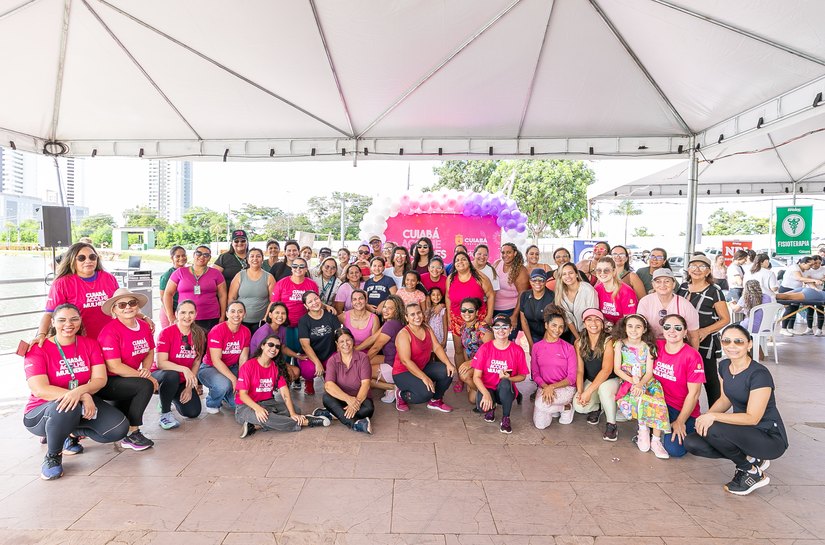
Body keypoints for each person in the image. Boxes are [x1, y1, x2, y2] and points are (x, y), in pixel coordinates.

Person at [23, 303, 129, 480]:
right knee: (68, 404)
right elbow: (40, 389)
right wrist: (82, 395)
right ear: (53, 323)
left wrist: (81, 392)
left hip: (77, 401)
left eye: (74, 319)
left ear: (80, 321)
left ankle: (71, 432)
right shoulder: (38, 349)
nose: (68, 324)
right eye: (62, 320)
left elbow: (100, 380)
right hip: (41, 413)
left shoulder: (90, 344)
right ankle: (53, 456)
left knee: (118, 429)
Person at [684, 325, 788, 496]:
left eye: (738, 341)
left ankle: (751, 472)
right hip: (743, 432)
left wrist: (713, 417)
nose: (732, 345)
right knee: (693, 442)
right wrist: (705, 417)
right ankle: (752, 459)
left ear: (749, 344)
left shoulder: (759, 374)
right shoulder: (724, 366)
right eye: (727, 341)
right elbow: (725, 400)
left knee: (713, 427)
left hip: (768, 437)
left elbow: (753, 418)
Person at [97, 288, 157, 451]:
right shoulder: (110, 331)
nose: (127, 307)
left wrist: (146, 370)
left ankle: (125, 421)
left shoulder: (144, 326)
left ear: (137, 306)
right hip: (109, 380)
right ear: (114, 310)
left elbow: (150, 350)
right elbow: (113, 366)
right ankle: (132, 433)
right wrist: (145, 377)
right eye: (121, 305)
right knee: (145, 385)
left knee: (144, 383)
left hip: (129, 377)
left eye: (132, 303)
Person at [235, 334, 330, 437]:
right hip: (246, 407)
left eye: (277, 347)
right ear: (262, 346)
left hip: (268, 403)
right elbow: (243, 395)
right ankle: (305, 422)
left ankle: (255, 426)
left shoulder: (276, 367)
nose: (273, 348)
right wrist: (258, 408)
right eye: (270, 345)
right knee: (265, 417)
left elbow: (285, 393)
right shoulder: (248, 366)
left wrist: (293, 413)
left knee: (295, 410)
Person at [36, 242, 124, 342]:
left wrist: (144, 317)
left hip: (109, 338)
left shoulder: (109, 278)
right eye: (81, 258)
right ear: (72, 260)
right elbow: (50, 314)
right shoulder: (62, 283)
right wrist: (41, 334)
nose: (88, 261)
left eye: (92, 257)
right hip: (79, 341)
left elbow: (123, 304)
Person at [612, 314, 671, 458]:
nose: (634, 330)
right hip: (629, 381)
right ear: (625, 328)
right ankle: (643, 430)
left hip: (647, 381)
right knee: (639, 399)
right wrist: (633, 382)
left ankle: (656, 440)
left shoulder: (648, 347)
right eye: (630, 326)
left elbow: (649, 372)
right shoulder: (620, 344)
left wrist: (640, 383)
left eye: (638, 327)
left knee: (657, 402)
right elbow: (617, 369)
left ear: (644, 330)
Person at [677, 254, 730, 407]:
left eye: (702, 267)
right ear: (688, 270)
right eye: (693, 266)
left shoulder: (715, 291)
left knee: (709, 378)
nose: (697, 270)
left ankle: (716, 413)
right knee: (685, 376)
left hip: (705, 342)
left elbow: (725, 319)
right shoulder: (683, 287)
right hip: (682, 340)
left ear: (708, 271)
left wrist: (704, 331)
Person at [654, 314, 705, 458]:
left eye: (678, 328)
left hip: (681, 409)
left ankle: (691, 428)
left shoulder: (692, 356)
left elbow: (694, 394)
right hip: (659, 405)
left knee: (675, 451)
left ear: (685, 332)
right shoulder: (657, 346)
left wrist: (680, 421)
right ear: (662, 330)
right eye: (667, 327)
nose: (672, 331)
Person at [392, 302, 457, 412]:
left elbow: (436, 347)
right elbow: (406, 361)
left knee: (447, 370)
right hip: (403, 372)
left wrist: (448, 363)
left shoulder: (426, 327)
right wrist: (424, 377)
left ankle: (435, 401)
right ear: (406, 318)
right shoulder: (403, 334)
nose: (417, 317)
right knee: (425, 394)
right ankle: (401, 394)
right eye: (412, 314)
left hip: (422, 366)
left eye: (419, 313)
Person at [152, 300, 205, 430]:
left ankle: (169, 395)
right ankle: (165, 413)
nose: (187, 316)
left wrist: (188, 388)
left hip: (182, 380)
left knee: (193, 412)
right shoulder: (166, 333)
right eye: (183, 312)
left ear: (196, 315)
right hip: (162, 375)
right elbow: (161, 363)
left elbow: (197, 361)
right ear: (176, 314)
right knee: (172, 375)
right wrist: (184, 369)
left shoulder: (199, 334)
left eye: (191, 312)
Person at [472, 315, 529, 434]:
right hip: (488, 388)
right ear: (493, 329)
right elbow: (476, 377)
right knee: (481, 406)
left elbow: (523, 376)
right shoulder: (485, 348)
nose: (501, 331)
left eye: (505, 327)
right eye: (497, 327)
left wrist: (510, 378)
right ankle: (491, 408)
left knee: (505, 383)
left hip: (505, 390)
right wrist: (486, 394)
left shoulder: (517, 350)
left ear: (510, 329)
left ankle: (506, 418)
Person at [572, 308, 621, 441]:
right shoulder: (579, 342)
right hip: (591, 379)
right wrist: (581, 391)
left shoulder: (608, 340)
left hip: (610, 380)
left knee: (604, 390)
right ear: (584, 323)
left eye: (597, 320)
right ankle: (598, 407)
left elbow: (606, 370)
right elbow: (580, 370)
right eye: (589, 319)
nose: (593, 323)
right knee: (579, 406)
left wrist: (588, 393)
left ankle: (612, 425)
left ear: (603, 323)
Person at [313, 328, 374, 434]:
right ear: (337, 344)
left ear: (353, 340)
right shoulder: (332, 360)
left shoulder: (363, 358)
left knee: (368, 410)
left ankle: (333, 413)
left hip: (360, 398)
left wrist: (355, 403)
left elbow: (366, 384)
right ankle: (355, 425)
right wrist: (348, 399)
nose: (345, 344)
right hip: (340, 398)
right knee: (327, 397)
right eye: (341, 341)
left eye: (348, 340)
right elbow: (328, 385)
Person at [198, 301, 251, 414]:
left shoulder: (246, 331)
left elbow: (243, 359)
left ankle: (225, 396)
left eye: (240, 311)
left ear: (244, 314)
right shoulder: (217, 330)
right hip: (210, 368)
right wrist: (234, 379)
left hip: (232, 367)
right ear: (226, 313)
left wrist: (241, 380)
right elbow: (216, 360)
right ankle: (212, 401)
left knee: (239, 402)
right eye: (232, 311)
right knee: (224, 384)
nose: (236, 315)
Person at [446, 251, 495, 370]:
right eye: (457, 260)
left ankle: (476, 377)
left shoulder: (479, 277)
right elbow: (448, 297)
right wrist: (449, 316)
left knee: (476, 349)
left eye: (463, 259)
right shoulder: (451, 278)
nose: (460, 262)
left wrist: (489, 316)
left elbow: (491, 295)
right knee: (458, 349)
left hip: (477, 320)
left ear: (469, 262)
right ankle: (462, 377)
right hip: (457, 320)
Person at [164, 245, 227, 331]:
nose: (202, 257)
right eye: (199, 253)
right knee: (187, 343)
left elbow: (223, 295)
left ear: (209, 258)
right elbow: (168, 294)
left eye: (206, 255)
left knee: (208, 343)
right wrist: (170, 316)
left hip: (210, 318)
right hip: (185, 317)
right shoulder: (180, 272)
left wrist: (223, 316)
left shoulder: (216, 274)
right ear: (194, 255)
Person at [271, 256, 319, 360]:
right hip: (284, 324)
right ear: (291, 268)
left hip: (303, 325)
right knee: (285, 354)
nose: (298, 268)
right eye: (295, 266)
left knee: (301, 353)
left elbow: (316, 304)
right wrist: (268, 319)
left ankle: (299, 373)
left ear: (306, 269)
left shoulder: (312, 284)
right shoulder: (281, 283)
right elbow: (274, 304)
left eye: (302, 266)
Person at [636, 268, 700, 345]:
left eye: (667, 281)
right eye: (658, 281)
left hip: (676, 346)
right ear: (653, 285)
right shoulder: (645, 301)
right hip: (651, 345)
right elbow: (639, 329)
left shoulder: (685, 305)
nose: (662, 285)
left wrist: (694, 356)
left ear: (673, 284)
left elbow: (694, 337)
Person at [297, 291, 340, 395]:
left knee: (337, 365)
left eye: (316, 299)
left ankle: (330, 381)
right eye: (310, 301)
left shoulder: (331, 316)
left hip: (329, 354)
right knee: (310, 370)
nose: (314, 303)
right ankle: (309, 382)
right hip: (310, 356)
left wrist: (340, 356)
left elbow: (338, 337)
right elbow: (305, 345)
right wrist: (317, 362)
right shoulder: (304, 320)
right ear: (306, 306)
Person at [248, 302, 304, 381]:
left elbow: (283, 347)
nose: (280, 316)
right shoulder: (265, 332)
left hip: (272, 358)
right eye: (277, 313)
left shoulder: (282, 328)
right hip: (259, 362)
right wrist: (283, 367)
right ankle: (268, 389)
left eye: (283, 313)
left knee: (296, 371)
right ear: (270, 315)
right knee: (288, 373)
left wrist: (298, 356)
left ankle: (277, 388)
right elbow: (262, 356)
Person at [366, 295, 406, 403]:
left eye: (390, 308)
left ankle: (393, 388)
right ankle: (392, 385)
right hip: (396, 361)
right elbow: (373, 338)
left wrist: (360, 363)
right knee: (367, 360)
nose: (386, 310)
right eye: (385, 307)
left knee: (361, 373)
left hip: (394, 367)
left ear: (397, 310)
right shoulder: (394, 322)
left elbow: (376, 347)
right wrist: (356, 349)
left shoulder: (391, 325)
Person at [228, 248, 275, 334]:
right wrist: (232, 316)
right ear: (247, 260)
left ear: (262, 259)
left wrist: (266, 317)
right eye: (252, 256)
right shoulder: (239, 275)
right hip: (240, 320)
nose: (255, 259)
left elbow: (273, 300)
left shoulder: (269, 277)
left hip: (261, 321)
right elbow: (231, 298)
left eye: (258, 256)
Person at [455, 297, 494, 398]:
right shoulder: (463, 327)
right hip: (475, 365)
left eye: (470, 310)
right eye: (463, 310)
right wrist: (466, 363)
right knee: (472, 400)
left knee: (464, 375)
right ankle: (484, 391)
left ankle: (490, 396)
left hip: (487, 364)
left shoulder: (482, 327)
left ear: (476, 312)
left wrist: (471, 363)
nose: (466, 313)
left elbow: (491, 350)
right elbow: (465, 349)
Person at [554, 262, 599, 341]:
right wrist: (578, 338)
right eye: (564, 274)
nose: (567, 276)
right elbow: (568, 319)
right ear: (560, 277)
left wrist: (587, 339)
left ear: (577, 274)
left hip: (592, 330)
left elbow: (593, 315)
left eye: (570, 273)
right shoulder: (560, 293)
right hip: (573, 332)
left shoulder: (588, 290)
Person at [778, 256, 818, 336]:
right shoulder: (794, 267)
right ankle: (783, 328)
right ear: (803, 263)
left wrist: (815, 289)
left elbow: (807, 281)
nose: (810, 267)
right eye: (810, 265)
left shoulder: (806, 271)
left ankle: (790, 328)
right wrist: (815, 280)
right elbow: (799, 278)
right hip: (787, 290)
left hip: (796, 291)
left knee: (794, 310)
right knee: (789, 309)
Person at [593, 257, 638, 326]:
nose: (602, 273)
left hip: (623, 330)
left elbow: (629, 320)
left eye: (606, 270)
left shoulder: (626, 291)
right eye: (599, 270)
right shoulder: (597, 289)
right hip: (605, 328)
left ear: (614, 271)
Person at [519, 268, 555, 351]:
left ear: (546, 281)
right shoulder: (524, 295)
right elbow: (524, 321)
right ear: (530, 281)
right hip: (532, 335)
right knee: (534, 359)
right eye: (534, 280)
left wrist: (542, 344)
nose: (537, 283)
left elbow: (551, 324)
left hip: (550, 335)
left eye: (541, 280)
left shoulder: (552, 297)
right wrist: (531, 344)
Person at [158, 245, 187, 329]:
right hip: (171, 311)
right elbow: (163, 297)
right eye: (177, 256)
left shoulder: (189, 272)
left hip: (183, 311)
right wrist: (171, 316)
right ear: (172, 258)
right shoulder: (167, 275)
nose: (181, 258)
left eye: (183, 255)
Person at [803, 255, 825, 335]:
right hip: (809, 292)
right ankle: (809, 328)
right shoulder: (808, 270)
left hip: (820, 291)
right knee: (810, 310)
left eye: (819, 263)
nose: (817, 265)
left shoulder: (823, 269)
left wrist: (820, 280)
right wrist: (816, 283)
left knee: (820, 310)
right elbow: (808, 281)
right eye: (815, 263)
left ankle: (819, 329)